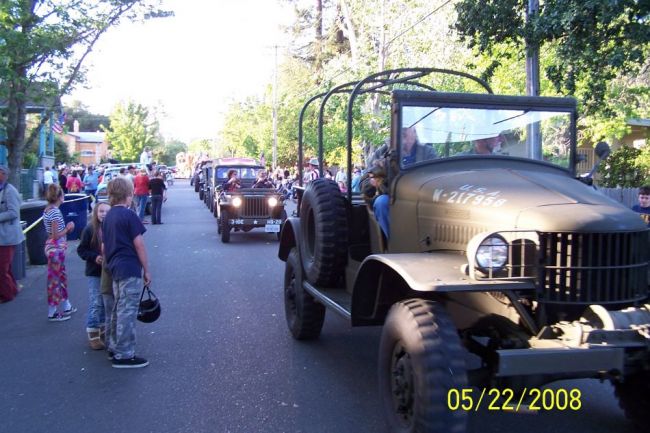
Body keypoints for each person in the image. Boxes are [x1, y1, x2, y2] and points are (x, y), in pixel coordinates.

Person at [102, 177, 151, 368]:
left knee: (117, 307)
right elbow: (139, 245)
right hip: (129, 267)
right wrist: (146, 269)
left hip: (114, 267)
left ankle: (113, 346)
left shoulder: (108, 217)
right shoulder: (129, 215)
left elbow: (105, 247)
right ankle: (125, 353)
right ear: (129, 195)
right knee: (128, 310)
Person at [77, 202, 110, 350]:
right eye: (101, 211)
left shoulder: (112, 228)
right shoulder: (90, 229)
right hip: (94, 272)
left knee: (105, 300)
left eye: (107, 211)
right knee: (96, 301)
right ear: (96, 213)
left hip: (108, 271)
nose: (104, 214)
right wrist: (94, 257)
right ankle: (93, 331)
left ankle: (102, 327)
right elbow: (81, 250)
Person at [43, 184, 76, 321]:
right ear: (60, 197)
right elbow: (55, 235)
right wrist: (68, 228)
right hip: (56, 249)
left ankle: (66, 305)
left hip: (53, 249)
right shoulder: (55, 212)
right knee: (56, 279)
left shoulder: (47, 210)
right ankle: (53, 311)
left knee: (60, 276)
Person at [0, 165, 25, 303]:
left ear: (3, 174)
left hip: (8, 236)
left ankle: (7, 294)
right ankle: (11, 289)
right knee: (5, 267)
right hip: (3, 236)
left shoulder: (10, 191)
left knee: (2, 268)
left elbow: (13, 213)